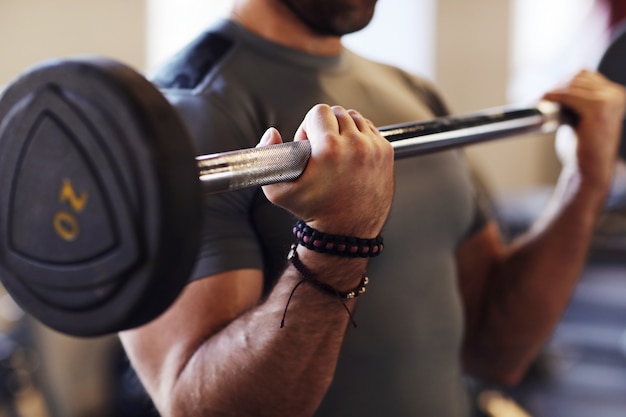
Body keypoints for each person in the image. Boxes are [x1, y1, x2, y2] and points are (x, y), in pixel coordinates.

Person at [118, 1, 626, 416]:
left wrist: (587, 182)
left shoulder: (413, 91)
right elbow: (197, 407)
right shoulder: (182, 117)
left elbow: (496, 346)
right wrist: (338, 239)